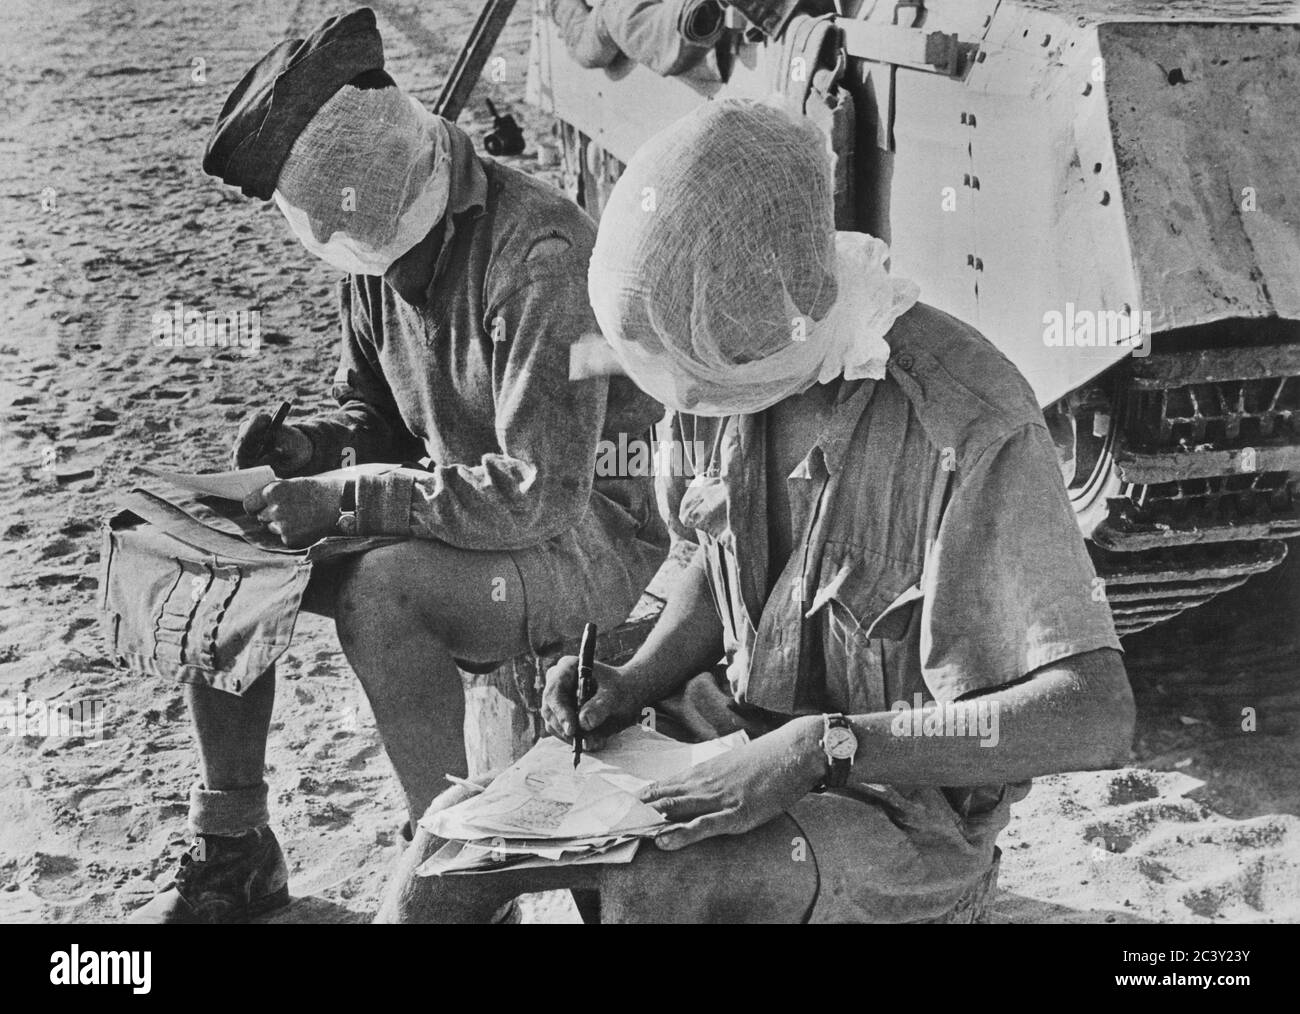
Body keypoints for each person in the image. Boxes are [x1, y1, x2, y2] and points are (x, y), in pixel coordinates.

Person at [377, 98, 1136, 924]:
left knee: (664, 883)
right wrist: (634, 682)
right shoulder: (714, 349)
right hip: (721, 744)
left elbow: (1095, 712)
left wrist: (826, 746)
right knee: (445, 858)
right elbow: (719, 562)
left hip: (896, 815)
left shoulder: (972, 423)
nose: (689, 401)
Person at [129, 7, 666, 924]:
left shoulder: (540, 257)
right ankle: (234, 845)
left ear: (424, 191)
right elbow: (373, 415)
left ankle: (462, 869)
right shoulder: (373, 236)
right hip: (470, 510)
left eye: (404, 261)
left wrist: (348, 496)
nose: (396, 284)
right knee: (207, 546)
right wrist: (313, 450)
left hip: (589, 545)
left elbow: (540, 494)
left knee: (384, 592)